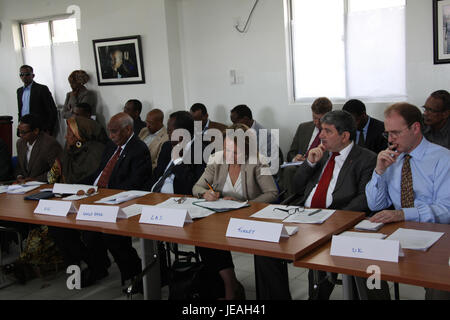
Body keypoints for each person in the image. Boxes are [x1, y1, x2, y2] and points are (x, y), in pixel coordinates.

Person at [255, 110, 389, 300]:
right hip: (304, 216)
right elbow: (296, 187)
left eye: (327, 131)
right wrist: (309, 163)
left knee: (333, 256)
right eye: (321, 130)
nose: (321, 135)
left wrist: (333, 218)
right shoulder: (322, 154)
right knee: (264, 250)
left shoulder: (366, 158)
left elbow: (364, 199)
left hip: (336, 220)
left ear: (345, 136)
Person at [365, 102, 450, 300]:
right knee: (365, 268)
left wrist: (403, 214)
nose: (391, 139)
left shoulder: (443, 159)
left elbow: (446, 209)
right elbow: (375, 205)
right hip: (399, 233)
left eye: (395, 133)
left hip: (437, 233)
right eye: (388, 134)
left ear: (415, 128)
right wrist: (379, 171)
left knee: (440, 286)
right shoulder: (392, 158)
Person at [192, 123, 278, 300]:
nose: (229, 155)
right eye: (226, 149)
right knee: (203, 236)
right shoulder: (217, 159)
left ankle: (231, 288)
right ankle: (229, 282)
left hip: (248, 217)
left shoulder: (257, 160)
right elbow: (197, 186)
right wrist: (205, 193)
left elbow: (272, 193)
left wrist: (245, 204)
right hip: (221, 216)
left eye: (235, 152)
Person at [81, 112, 152, 289]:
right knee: (80, 231)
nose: (111, 136)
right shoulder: (111, 146)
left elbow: (134, 183)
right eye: (109, 132)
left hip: (122, 200)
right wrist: (77, 185)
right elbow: (100, 173)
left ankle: (134, 273)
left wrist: (105, 195)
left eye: (114, 132)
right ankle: (97, 266)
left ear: (128, 130)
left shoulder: (138, 149)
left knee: (111, 235)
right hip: (97, 195)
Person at [46, 116, 110, 285]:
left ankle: (97, 266)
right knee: (55, 227)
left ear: (80, 134)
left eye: (70, 133)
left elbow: (92, 182)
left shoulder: (95, 151)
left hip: (92, 201)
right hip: (71, 198)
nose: (67, 137)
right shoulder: (70, 151)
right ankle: (77, 265)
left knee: (88, 233)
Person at [282, 97, 332, 197]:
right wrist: (295, 158)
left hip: (318, 166)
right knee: (288, 170)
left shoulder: (332, 132)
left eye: (320, 119)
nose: (316, 122)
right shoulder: (303, 127)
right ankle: (289, 201)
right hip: (300, 165)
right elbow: (291, 152)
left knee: (290, 171)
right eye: (314, 118)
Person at [148, 111, 205, 195]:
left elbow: (192, 187)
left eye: (170, 130)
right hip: (153, 195)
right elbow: (157, 174)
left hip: (178, 199)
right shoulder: (167, 146)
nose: (167, 133)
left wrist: (178, 160)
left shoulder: (199, 151)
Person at [15, 114, 62, 183]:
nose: (21, 135)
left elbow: (57, 170)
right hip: (25, 186)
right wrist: (19, 176)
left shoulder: (49, 144)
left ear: (36, 131)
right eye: (19, 132)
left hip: (44, 185)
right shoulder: (20, 143)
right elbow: (19, 165)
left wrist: (36, 180)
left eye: (24, 133)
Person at [17, 65, 57, 135]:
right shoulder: (19, 91)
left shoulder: (41, 89)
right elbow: (21, 110)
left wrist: (49, 128)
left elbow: (51, 110)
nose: (24, 77)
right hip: (24, 128)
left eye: (27, 74)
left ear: (33, 75)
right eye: (21, 74)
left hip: (39, 128)